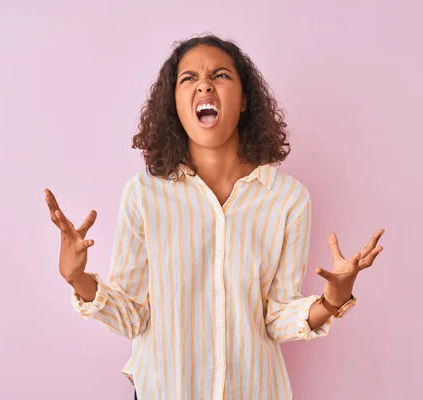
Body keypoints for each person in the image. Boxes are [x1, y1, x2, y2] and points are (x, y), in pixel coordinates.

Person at [44, 33, 384, 400]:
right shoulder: (145, 194)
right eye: (188, 78)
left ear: (243, 102)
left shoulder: (287, 199)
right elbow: (132, 317)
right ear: (174, 103)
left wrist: (332, 302)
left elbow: (277, 318)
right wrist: (77, 278)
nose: (204, 83)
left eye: (220, 75)